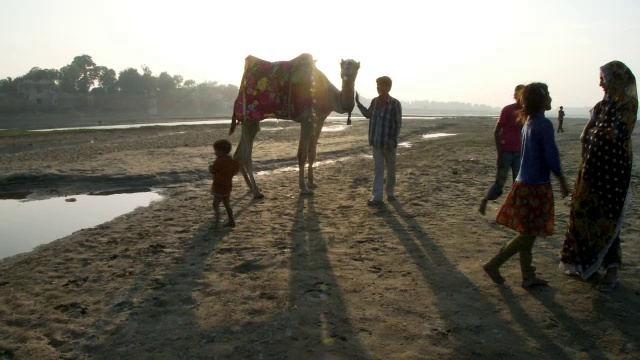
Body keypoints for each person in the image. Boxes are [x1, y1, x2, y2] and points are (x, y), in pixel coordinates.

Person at [483, 82, 570, 288]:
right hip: (536, 185)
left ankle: (528, 276)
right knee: (529, 233)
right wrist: (562, 180)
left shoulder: (529, 121)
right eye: (547, 94)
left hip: (524, 182)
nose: (550, 98)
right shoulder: (542, 124)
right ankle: (494, 264)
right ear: (540, 99)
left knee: (528, 233)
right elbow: (551, 156)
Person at [560, 61, 637, 292]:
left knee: (607, 219)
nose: (600, 82)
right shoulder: (601, 106)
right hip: (590, 171)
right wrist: (591, 132)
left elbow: (616, 133)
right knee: (583, 215)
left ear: (616, 79)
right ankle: (587, 264)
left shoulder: (627, 104)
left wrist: (593, 132)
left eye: (603, 78)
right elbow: (588, 132)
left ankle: (611, 270)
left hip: (612, 174)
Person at [355, 76, 403, 206]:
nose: (378, 88)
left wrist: (393, 139)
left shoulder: (395, 104)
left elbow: (398, 124)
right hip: (376, 142)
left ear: (388, 87)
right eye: (377, 86)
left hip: (389, 143)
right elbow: (368, 115)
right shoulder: (375, 102)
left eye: (380, 85)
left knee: (391, 169)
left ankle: (390, 193)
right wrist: (358, 103)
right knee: (378, 170)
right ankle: (377, 197)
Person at [479, 84, 525, 215]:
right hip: (506, 151)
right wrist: (500, 153)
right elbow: (496, 132)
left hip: (518, 151)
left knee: (518, 182)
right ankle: (485, 200)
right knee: (500, 182)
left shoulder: (526, 113)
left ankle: (514, 209)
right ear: (516, 96)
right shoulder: (507, 110)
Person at [208, 139, 240, 227]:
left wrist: (210, 168)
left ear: (221, 151)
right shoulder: (231, 161)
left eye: (216, 151)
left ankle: (218, 217)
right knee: (227, 205)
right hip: (227, 187)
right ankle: (231, 220)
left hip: (218, 187)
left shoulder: (219, 161)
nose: (215, 153)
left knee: (215, 204)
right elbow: (236, 170)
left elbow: (213, 170)